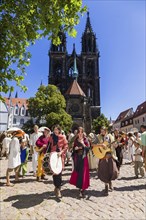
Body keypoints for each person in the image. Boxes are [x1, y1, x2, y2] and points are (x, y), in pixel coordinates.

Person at [48, 125, 68, 198]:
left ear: (59, 130)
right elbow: (48, 145)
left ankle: (58, 188)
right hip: (53, 156)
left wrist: (61, 152)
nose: (55, 131)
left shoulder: (62, 137)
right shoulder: (51, 137)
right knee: (54, 172)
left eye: (56, 129)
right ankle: (56, 187)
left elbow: (66, 146)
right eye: (54, 129)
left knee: (59, 172)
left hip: (59, 156)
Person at [97, 127, 118, 196]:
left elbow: (115, 146)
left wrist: (115, 144)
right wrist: (101, 145)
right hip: (102, 156)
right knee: (104, 171)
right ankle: (106, 186)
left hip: (109, 155)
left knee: (112, 170)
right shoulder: (98, 137)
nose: (102, 132)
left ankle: (110, 182)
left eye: (103, 131)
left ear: (106, 131)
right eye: (101, 130)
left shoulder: (110, 136)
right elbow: (94, 145)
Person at [69, 127, 90, 197]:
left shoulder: (85, 140)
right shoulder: (75, 140)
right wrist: (75, 149)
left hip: (84, 158)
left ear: (83, 133)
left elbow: (88, 149)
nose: (80, 133)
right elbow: (73, 150)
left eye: (81, 132)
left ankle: (82, 189)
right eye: (79, 132)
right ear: (77, 133)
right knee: (78, 172)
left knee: (83, 172)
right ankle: (79, 187)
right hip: (77, 158)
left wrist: (83, 144)